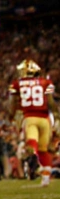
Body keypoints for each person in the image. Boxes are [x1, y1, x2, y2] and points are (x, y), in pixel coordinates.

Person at [9, 59, 59, 187]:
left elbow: (13, 103)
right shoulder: (45, 82)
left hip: (30, 117)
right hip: (44, 118)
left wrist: (12, 115)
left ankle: (34, 163)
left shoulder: (17, 84)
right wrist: (56, 115)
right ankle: (45, 179)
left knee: (31, 144)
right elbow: (51, 102)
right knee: (43, 149)